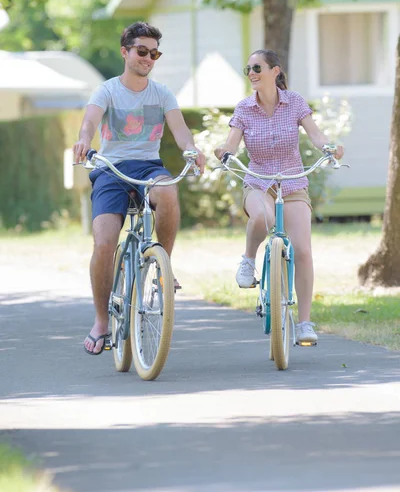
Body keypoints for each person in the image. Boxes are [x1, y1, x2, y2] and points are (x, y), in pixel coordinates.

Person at [73, 21, 205, 355]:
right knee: (104, 242)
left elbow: (180, 129)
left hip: (148, 168)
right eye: (142, 51)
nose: (148, 58)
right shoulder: (107, 90)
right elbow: (90, 120)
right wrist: (84, 140)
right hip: (111, 169)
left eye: (154, 53)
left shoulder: (161, 93)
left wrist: (191, 149)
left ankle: (163, 266)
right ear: (125, 52)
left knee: (169, 192)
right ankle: (101, 322)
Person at [214, 49, 344, 344]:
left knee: (303, 250)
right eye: (247, 68)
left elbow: (316, 136)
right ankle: (248, 259)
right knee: (263, 217)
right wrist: (223, 152)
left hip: (293, 180)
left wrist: (331, 148)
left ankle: (305, 323)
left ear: (275, 71)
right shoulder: (244, 108)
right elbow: (231, 144)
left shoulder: (295, 102)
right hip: (258, 181)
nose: (251, 73)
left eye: (257, 67)